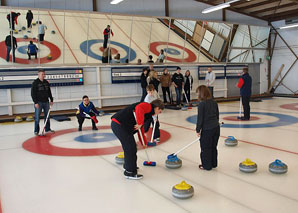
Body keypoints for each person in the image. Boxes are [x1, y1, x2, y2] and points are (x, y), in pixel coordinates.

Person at [111, 99, 164, 179]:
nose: (159, 113)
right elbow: (139, 108)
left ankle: (129, 166)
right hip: (119, 124)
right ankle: (129, 172)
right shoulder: (148, 106)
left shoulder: (147, 114)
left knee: (131, 147)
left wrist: (144, 143)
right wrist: (139, 123)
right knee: (130, 147)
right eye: (160, 111)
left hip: (123, 126)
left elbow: (140, 129)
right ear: (156, 108)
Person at [196, 85, 220, 171]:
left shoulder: (201, 104)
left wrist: (198, 130)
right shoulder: (214, 102)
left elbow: (200, 119)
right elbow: (217, 115)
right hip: (216, 128)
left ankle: (206, 166)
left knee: (206, 148)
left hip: (207, 130)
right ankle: (213, 163)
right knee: (213, 146)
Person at [31, 69, 54, 135]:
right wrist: (35, 102)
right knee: (37, 117)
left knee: (47, 116)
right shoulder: (35, 83)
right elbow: (33, 93)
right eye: (42, 74)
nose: (43, 75)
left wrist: (51, 100)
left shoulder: (46, 82)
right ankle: (36, 131)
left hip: (46, 102)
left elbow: (49, 92)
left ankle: (47, 129)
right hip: (39, 102)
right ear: (38, 74)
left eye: (44, 74)